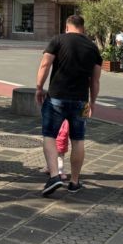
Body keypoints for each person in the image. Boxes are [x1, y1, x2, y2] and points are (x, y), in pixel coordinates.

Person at [35, 15, 102, 196]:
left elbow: (45, 64)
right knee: (78, 140)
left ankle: (55, 175)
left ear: (66, 27)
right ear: (83, 28)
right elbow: (95, 81)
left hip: (56, 97)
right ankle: (74, 182)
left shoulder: (58, 40)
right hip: (82, 100)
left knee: (49, 135)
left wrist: (39, 88)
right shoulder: (93, 48)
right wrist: (92, 102)